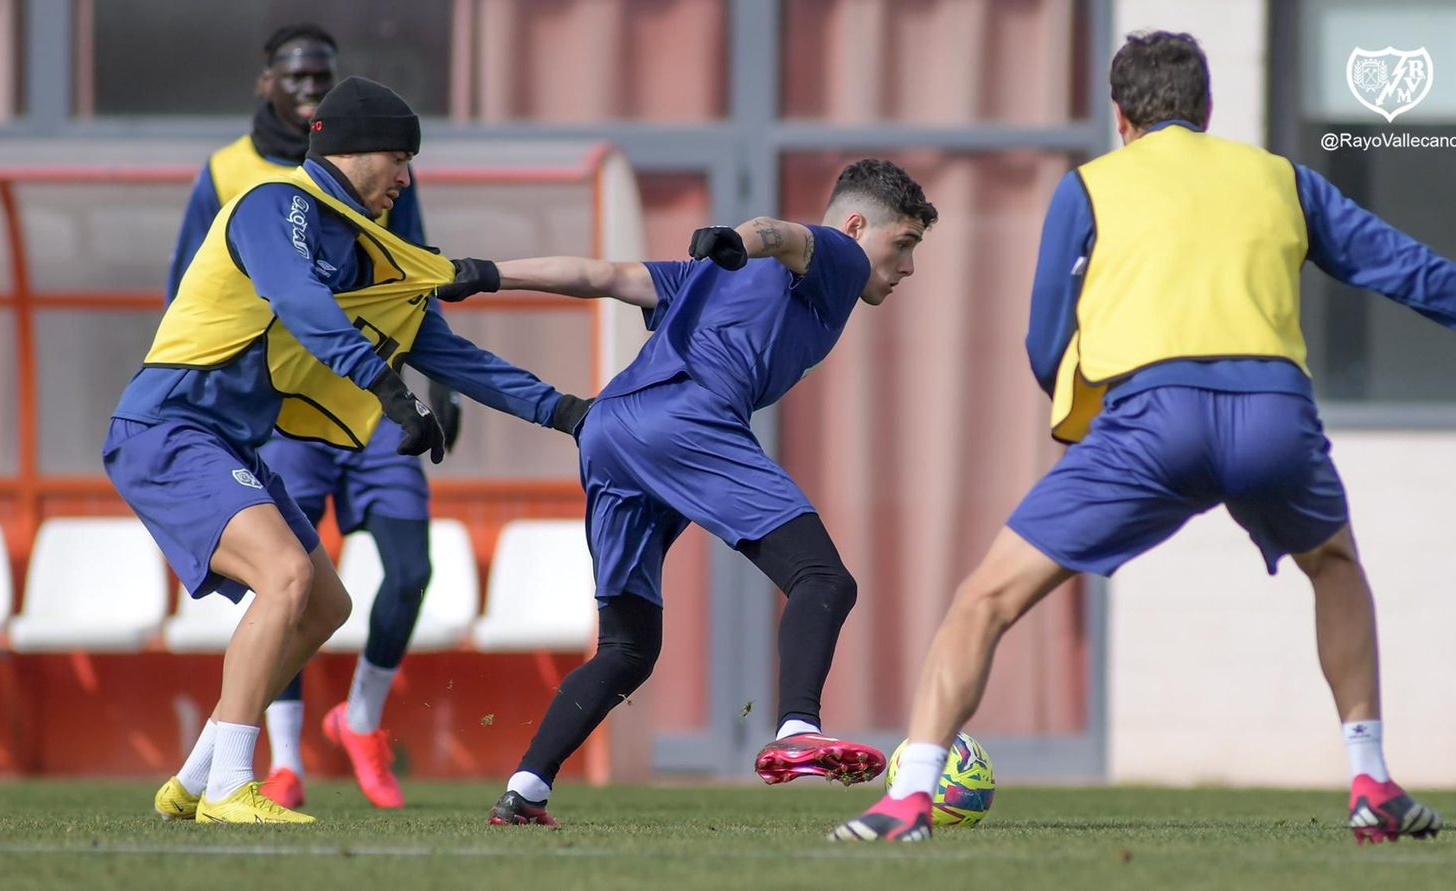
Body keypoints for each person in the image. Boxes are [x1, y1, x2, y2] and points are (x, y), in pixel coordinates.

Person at [830, 30, 1456, 843]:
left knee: (985, 599)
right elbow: (1411, 272)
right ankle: (1372, 779)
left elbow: (1046, 340)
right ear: (1206, 110)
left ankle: (909, 799)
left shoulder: (1089, 186)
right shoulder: (1282, 179)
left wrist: (1081, 413)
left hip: (1151, 421)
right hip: (1274, 414)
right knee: (1334, 566)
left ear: (1121, 117)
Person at [115, 76, 590, 824]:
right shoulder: (276, 204)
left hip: (225, 440)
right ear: (356, 150)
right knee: (286, 575)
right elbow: (299, 300)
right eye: (400, 158)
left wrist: (571, 414)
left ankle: (193, 779)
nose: (407, 178)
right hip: (167, 428)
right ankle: (232, 787)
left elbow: (454, 355)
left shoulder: (371, 247)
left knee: (324, 604)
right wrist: (388, 389)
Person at [434, 159, 937, 826]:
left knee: (628, 647)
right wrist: (740, 237)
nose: (907, 268)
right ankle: (797, 730)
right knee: (823, 579)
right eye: (903, 244)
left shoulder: (711, 276)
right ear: (855, 226)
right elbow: (781, 232)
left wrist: (485, 273)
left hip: (608, 429)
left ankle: (526, 789)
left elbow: (602, 276)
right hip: (687, 421)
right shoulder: (840, 257)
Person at [164, 23, 463, 811]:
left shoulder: (380, 166)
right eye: (294, 75)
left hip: (378, 400)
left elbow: (418, 275)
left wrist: (443, 382)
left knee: (410, 568)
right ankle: (282, 759)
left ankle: (359, 720)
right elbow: (189, 286)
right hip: (286, 409)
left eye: (320, 77)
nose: (307, 88)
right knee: (290, 579)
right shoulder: (227, 173)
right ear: (265, 80)